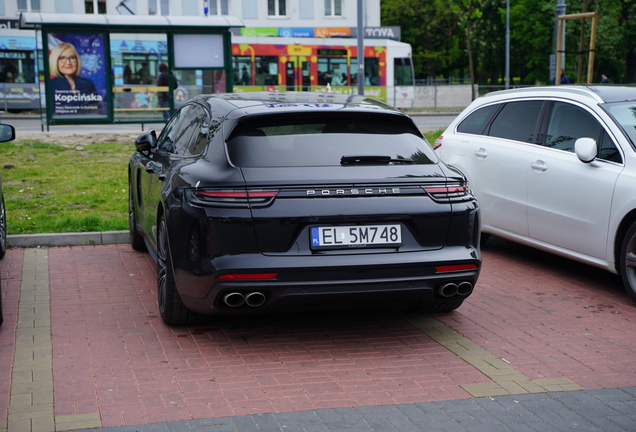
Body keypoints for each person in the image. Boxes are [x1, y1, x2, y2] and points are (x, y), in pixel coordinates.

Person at [49, 42, 102, 115]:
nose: (68, 62)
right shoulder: (51, 84)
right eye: (62, 58)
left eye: (72, 58)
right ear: (55, 61)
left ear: (77, 60)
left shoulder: (87, 83)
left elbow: (97, 111)